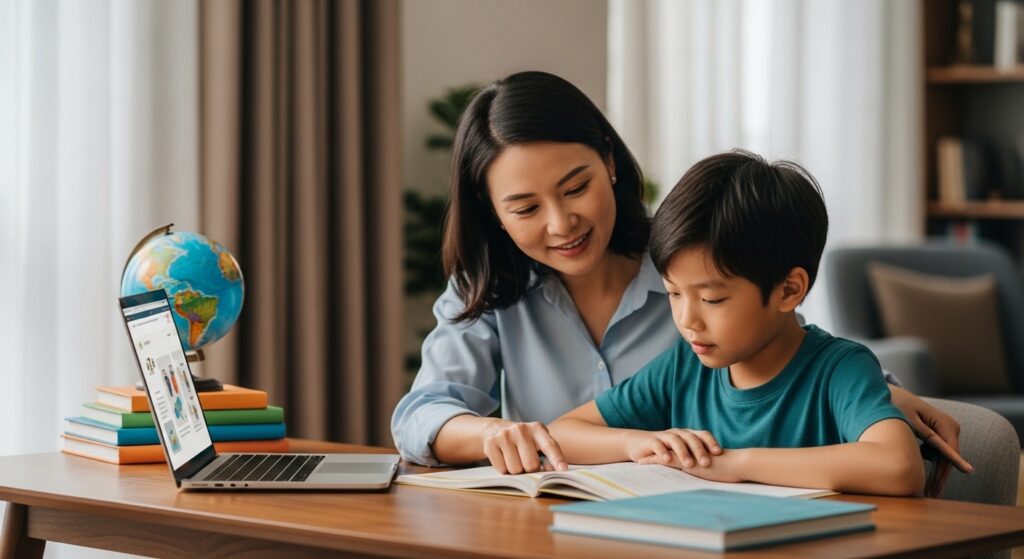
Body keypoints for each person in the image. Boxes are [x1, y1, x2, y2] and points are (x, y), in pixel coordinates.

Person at [390, 71, 971, 478]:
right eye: (524, 208)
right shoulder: (488, 287)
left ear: (610, 163)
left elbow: (786, 345)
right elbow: (422, 413)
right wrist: (494, 434)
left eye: (576, 188)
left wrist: (883, 393)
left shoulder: (687, 257)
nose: (562, 223)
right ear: (492, 211)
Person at [549, 151, 924, 495]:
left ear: (788, 290)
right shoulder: (684, 369)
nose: (687, 319)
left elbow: (899, 467)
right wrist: (633, 443)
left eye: (712, 299)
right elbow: (561, 434)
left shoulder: (839, 369)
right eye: (674, 293)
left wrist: (738, 464)